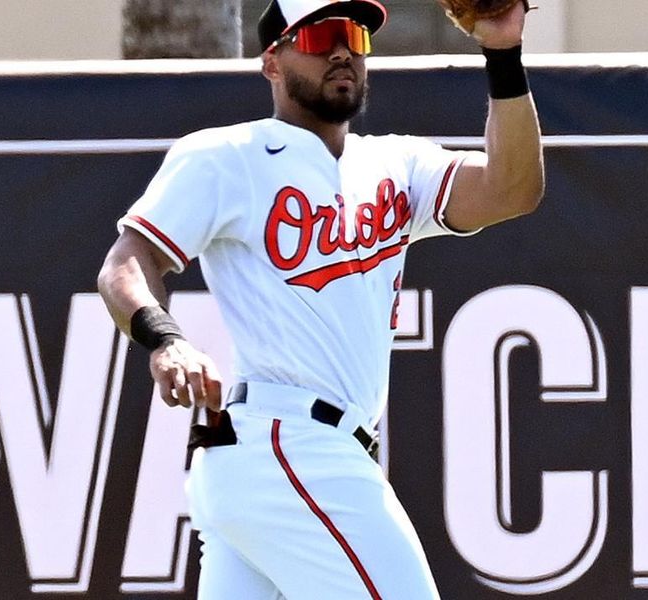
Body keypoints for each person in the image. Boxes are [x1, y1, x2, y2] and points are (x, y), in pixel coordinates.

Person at [97, 0, 543, 597]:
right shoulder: (230, 155)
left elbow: (512, 189)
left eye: (354, 36)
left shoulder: (397, 163)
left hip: (286, 457)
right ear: (273, 62)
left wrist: (503, 54)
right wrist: (165, 339)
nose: (341, 51)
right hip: (288, 443)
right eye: (320, 35)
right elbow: (126, 263)